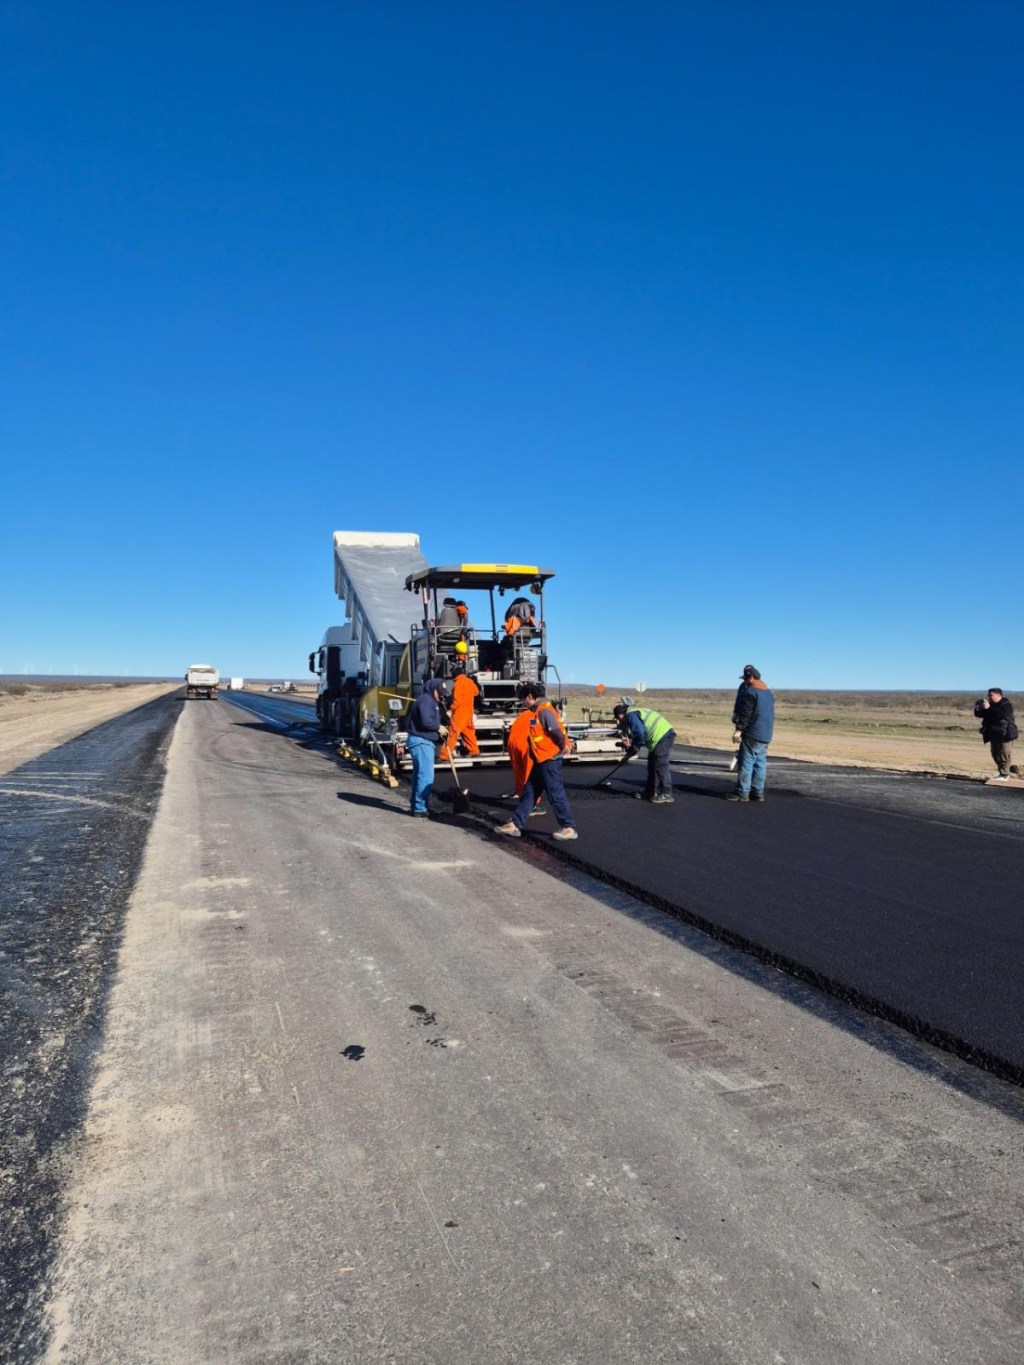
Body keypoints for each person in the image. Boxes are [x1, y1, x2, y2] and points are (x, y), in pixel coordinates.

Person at [496, 682, 577, 840]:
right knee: (530, 793)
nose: (522, 703)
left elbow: (557, 731)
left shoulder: (544, 711)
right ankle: (515, 824)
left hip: (549, 759)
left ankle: (569, 827)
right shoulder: (537, 711)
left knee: (555, 793)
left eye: (522, 699)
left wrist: (563, 746)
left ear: (529, 697)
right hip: (540, 759)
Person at [728, 664, 775, 803]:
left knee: (746, 763)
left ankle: (743, 793)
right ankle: (758, 792)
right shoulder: (768, 693)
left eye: (747, 678)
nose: (746, 681)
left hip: (753, 733)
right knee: (760, 763)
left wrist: (739, 729)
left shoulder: (750, 692)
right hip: (766, 734)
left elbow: (746, 714)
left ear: (752, 677)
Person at [613, 702, 676, 803]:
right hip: (658, 738)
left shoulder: (631, 715)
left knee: (660, 764)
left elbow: (641, 733)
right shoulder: (633, 713)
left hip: (663, 735)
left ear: (620, 715)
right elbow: (639, 734)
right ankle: (651, 792)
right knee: (652, 765)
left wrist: (636, 746)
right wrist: (633, 747)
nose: (619, 721)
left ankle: (667, 793)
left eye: (618, 718)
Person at [406, 678, 447, 817]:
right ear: (433, 689)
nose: (440, 696)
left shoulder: (430, 701)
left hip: (422, 741)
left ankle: (417, 806)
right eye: (439, 692)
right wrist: (438, 727)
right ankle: (419, 808)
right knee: (426, 777)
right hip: (421, 741)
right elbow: (425, 721)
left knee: (419, 776)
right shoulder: (426, 700)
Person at [440, 649, 481, 760]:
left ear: (454, 675)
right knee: (468, 732)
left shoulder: (457, 684)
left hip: (460, 713)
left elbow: (457, 700)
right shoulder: (469, 681)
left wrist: (451, 710)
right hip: (469, 712)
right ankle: (474, 750)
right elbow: (476, 692)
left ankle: (444, 755)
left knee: (452, 733)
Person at [973, 688, 1017, 781]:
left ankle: (1005, 774)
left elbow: (1001, 715)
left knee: (1004, 754)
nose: (989, 697)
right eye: (988, 695)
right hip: (994, 733)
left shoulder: (1006, 705)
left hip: (1005, 733)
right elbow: (980, 715)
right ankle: (1001, 772)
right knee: (995, 754)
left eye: (991, 695)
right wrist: (977, 708)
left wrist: (989, 708)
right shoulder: (990, 705)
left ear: (999, 695)